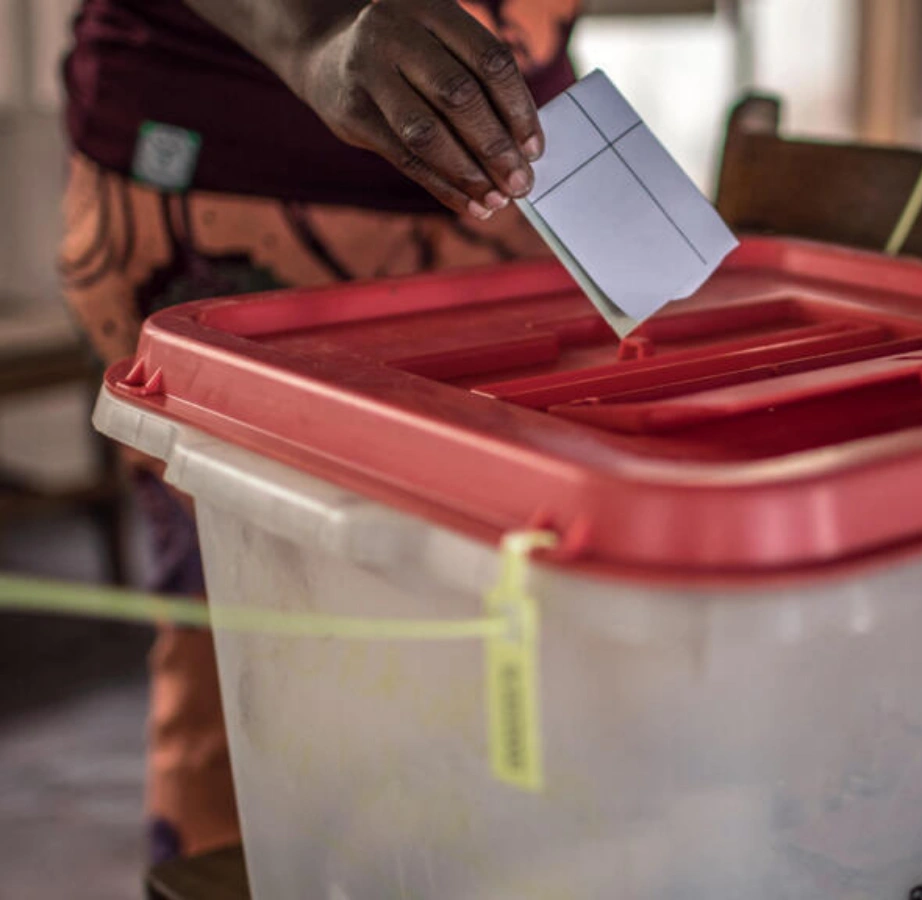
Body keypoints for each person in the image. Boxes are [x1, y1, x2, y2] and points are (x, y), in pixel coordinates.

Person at [59, 0, 580, 864]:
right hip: (228, 179)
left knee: (506, 626)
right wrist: (307, 30)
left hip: (511, 189)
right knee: (255, 619)